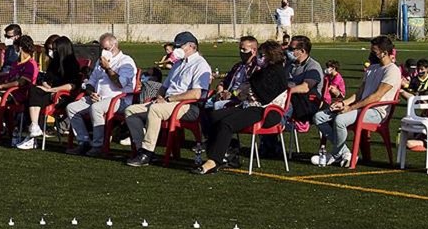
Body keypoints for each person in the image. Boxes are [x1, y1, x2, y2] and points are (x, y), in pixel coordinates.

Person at [196, 40, 292, 175]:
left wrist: (246, 90)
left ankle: (214, 161)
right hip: (250, 106)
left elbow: (264, 96)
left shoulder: (277, 72)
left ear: (271, 56)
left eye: (262, 55)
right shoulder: (262, 71)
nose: (259, 57)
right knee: (213, 116)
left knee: (227, 123)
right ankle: (223, 153)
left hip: (267, 111)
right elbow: (246, 91)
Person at [311, 36, 403, 167]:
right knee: (319, 117)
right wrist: (343, 104)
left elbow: (376, 96)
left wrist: (351, 108)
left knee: (340, 120)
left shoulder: (392, 71)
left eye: (374, 51)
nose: (371, 53)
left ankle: (335, 155)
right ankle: (344, 152)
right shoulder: (372, 68)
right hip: (362, 108)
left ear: (384, 53)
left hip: (376, 112)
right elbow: (359, 93)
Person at [124, 31, 212, 167]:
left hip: (187, 106)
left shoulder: (201, 65)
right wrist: (160, 97)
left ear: (192, 46)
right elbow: (164, 86)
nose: (177, 50)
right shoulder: (178, 64)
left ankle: (147, 152)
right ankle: (141, 147)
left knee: (155, 109)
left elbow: (196, 94)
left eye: (180, 47)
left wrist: (170, 99)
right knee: (130, 111)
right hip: (169, 103)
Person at [66, 33, 138, 155]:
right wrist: (91, 92)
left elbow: (120, 84)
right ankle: (83, 141)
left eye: (106, 48)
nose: (103, 51)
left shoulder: (126, 61)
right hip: (98, 97)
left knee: (96, 108)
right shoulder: (100, 63)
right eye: (102, 49)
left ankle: (98, 145)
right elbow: (91, 82)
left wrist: (107, 68)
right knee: (71, 108)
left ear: (115, 45)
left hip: (118, 99)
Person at [15, 35, 83, 150]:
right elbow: (47, 79)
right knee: (33, 90)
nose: (52, 52)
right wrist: (46, 86)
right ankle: (34, 127)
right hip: (50, 92)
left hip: (63, 95)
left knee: (34, 96)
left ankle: (33, 134)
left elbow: (72, 85)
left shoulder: (72, 64)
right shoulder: (54, 63)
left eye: (55, 50)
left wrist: (52, 90)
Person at [284, 35, 325, 126]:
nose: (288, 51)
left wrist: (284, 92)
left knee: (275, 112)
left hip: (307, 103)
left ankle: (280, 125)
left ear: (302, 51)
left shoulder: (313, 66)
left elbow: (305, 88)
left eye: (291, 48)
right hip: (290, 99)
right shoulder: (289, 64)